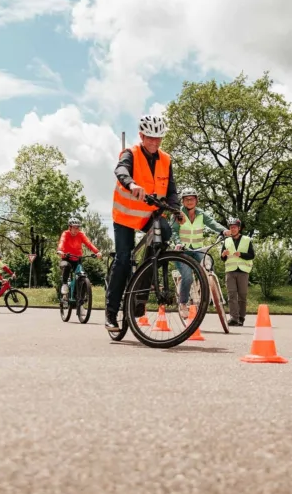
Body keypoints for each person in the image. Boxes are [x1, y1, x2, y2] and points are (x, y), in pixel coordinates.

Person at [105, 114, 182, 331]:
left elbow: (171, 191)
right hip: (126, 218)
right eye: (150, 138)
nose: (155, 142)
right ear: (141, 136)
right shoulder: (130, 154)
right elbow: (120, 171)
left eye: (159, 138)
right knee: (122, 259)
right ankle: (111, 313)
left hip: (150, 216)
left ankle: (140, 289)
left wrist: (175, 209)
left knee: (164, 233)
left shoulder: (166, 160)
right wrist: (131, 184)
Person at [172, 187, 229, 317]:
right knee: (187, 277)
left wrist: (224, 230)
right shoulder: (178, 214)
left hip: (198, 249)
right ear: (183, 201)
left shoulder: (201, 214)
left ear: (196, 200)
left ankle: (206, 290)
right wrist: (178, 243)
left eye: (192, 199)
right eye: (186, 199)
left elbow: (213, 223)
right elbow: (174, 231)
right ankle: (183, 303)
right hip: (183, 251)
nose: (189, 201)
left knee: (208, 263)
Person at [56, 216, 102, 300]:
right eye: (74, 227)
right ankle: (65, 284)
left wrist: (97, 252)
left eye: (77, 228)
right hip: (67, 257)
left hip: (77, 259)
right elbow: (61, 242)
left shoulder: (81, 234)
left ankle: (81, 300)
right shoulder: (65, 234)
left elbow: (89, 244)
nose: (76, 230)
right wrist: (60, 251)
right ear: (70, 227)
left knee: (82, 276)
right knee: (66, 266)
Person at [220, 217, 255, 326]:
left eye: (235, 227)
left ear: (239, 228)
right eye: (231, 227)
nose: (233, 229)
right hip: (230, 271)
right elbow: (223, 258)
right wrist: (223, 255)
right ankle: (234, 318)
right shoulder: (226, 241)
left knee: (242, 295)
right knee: (231, 295)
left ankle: (241, 317)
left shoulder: (247, 240)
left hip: (243, 271)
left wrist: (241, 254)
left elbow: (252, 255)